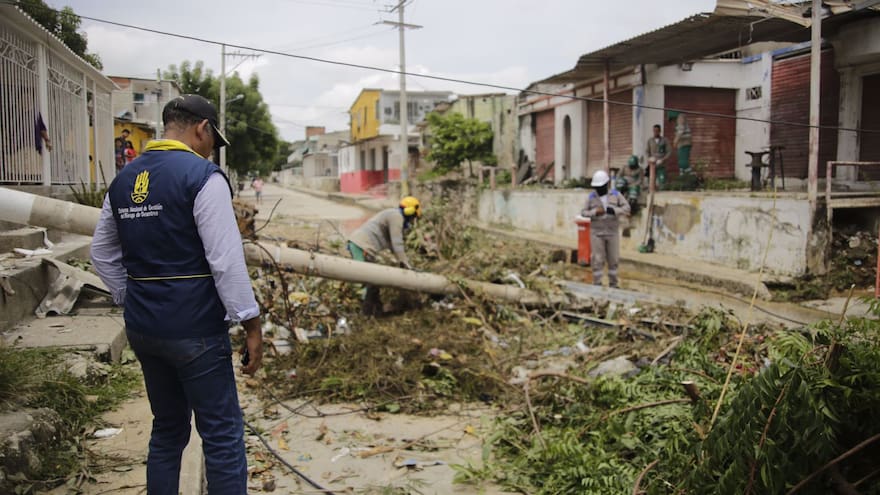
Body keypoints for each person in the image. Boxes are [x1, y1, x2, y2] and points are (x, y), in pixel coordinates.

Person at [90, 94, 263, 495]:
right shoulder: (202, 177)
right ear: (202, 129)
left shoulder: (123, 179)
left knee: (167, 430)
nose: (211, 150)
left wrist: (129, 297)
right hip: (196, 329)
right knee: (221, 434)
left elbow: (101, 253)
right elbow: (225, 260)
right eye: (212, 141)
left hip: (145, 329)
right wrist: (252, 325)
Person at [347, 196, 421, 316]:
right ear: (410, 212)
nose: (412, 221)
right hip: (362, 245)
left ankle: (375, 311)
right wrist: (405, 263)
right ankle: (366, 313)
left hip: (363, 246)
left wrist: (402, 262)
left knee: (372, 281)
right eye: (413, 218)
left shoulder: (393, 215)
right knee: (368, 280)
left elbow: (392, 245)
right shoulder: (396, 217)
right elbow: (397, 243)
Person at [581, 170, 630, 288]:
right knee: (597, 259)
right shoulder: (591, 197)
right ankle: (597, 283)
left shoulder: (616, 195)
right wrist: (594, 212)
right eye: (597, 187)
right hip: (597, 233)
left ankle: (614, 284)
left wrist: (614, 210)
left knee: (613, 259)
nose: (598, 190)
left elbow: (627, 208)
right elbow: (583, 212)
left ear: (606, 185)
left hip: (612, 232)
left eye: (601, 187)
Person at [671, 111, 696, 189]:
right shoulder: (683, 125)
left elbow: (680, 133)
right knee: (681, 163)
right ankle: (683, 177)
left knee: (683, 162)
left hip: (684, 144)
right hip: (682, 145)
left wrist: (675, 141)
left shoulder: (681, 124)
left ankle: (691, 176)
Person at [645, 124, 670, 190]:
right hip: (652, 165)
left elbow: (669, 151)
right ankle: (651, 196)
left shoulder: (665, 140)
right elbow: (647, 151)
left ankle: (662, 195)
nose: (655, 132)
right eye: (654, 131)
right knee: (651, 181)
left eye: (657, 131)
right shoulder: (650, 140)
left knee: (662, 181)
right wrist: (649, 158)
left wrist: (663, 159)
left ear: (660, 131)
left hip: (661, 164)